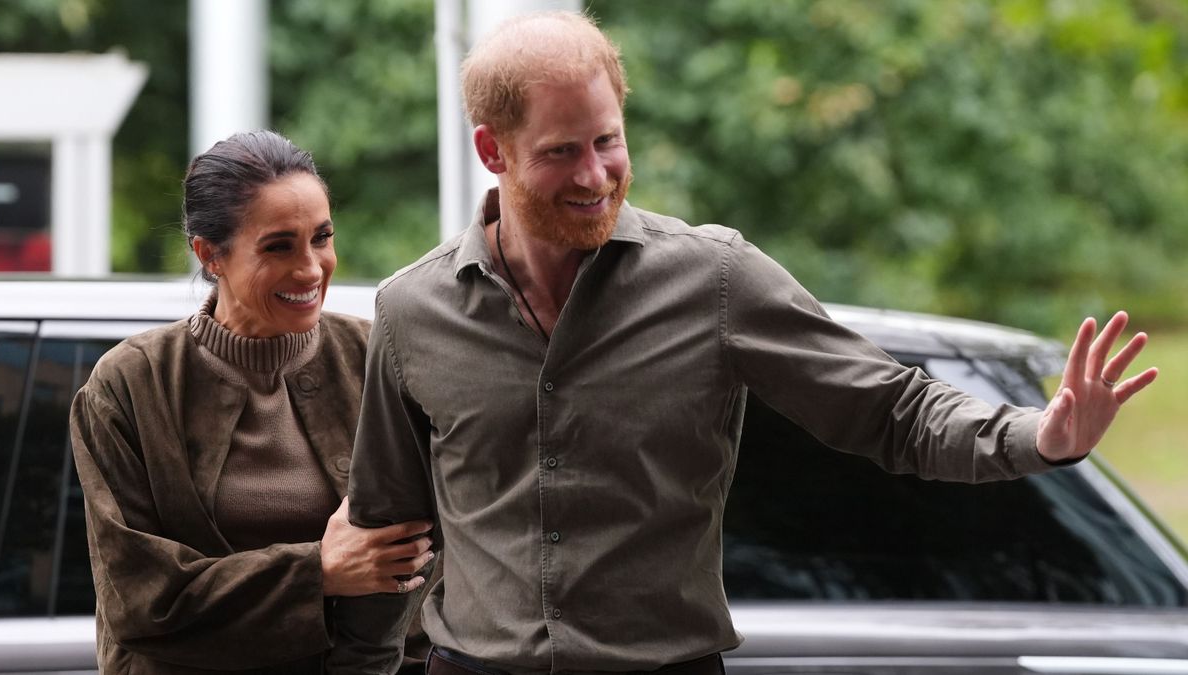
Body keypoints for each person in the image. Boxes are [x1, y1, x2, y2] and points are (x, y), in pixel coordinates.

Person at [332, 11, 1159, 675]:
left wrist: (1040, 435)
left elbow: (890, 409)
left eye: (608, 140)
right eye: (561, 152)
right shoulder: (414, 309)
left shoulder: (715, 281)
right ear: (492, 150)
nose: (595, 175)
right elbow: (386, 531)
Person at [70, 130, 436, 674]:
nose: (310, 268)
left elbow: (426, 563)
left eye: (322, 237)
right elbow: (142, 599)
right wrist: (319, 572)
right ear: (209, 254)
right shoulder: (131, 384)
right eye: (279, 246)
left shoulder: (378, 357)